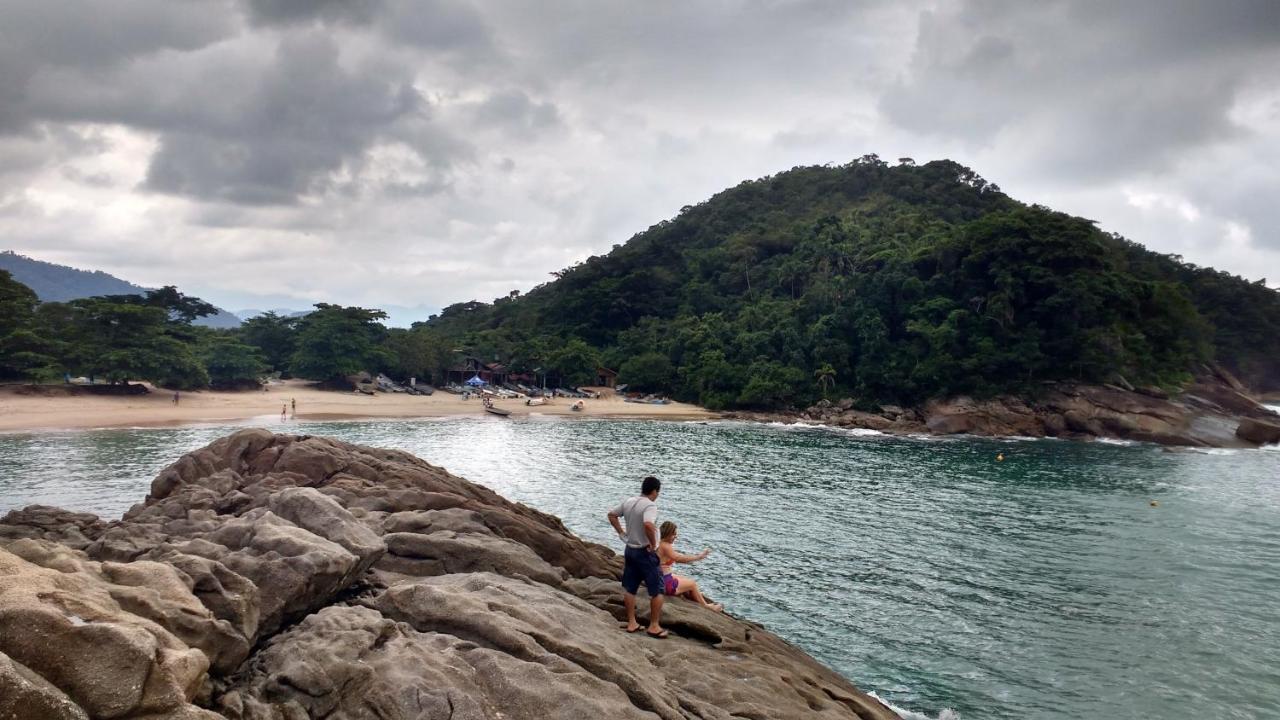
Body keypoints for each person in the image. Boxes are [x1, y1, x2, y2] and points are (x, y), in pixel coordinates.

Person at [607, 476, 667, 638]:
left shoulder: (629, 501)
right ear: (655, 491)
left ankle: (632, 623)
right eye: (658, 492)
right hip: (644, 552)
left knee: (630, 587)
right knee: (657, 589)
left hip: (630, 549)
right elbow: (648, 524)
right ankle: (654, 626)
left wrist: (621, 533)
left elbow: (612, 515)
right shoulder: (650, 506)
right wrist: (653, 544)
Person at [657, 521, 721, 612]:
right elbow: (679, 558)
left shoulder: (657, 543)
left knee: (681, 577)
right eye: (674, 534)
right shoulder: (666, 546)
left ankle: (694, 595)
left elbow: (676, 556)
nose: (676, 537)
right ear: (667, 533)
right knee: (692, 583)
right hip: (665, 585)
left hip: (659, 579)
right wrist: (698, 557)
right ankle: (706, 607)